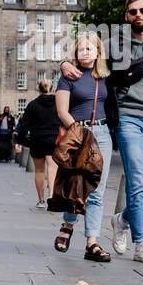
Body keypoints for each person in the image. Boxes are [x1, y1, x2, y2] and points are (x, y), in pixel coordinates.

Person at [61, 0, 143, 264]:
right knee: (138, 181)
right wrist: (63, 64)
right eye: (133, 11)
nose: (138, 15)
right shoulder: (113, 47)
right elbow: (85, 54)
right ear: (126, 16)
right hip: (127, 120)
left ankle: (122, 219)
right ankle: (141, 243)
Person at [53, 33, 114, 261]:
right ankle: (68, 225)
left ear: (98, 51)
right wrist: (79, 132)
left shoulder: (105, 76)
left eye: (90, 48)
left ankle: (92, 242)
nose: (85, 52)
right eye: (81, 49)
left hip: (103, 134)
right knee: (76, 186)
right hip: (78, 133)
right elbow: (61, 111)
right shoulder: (69, 77)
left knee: (96, 190)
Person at [16, 79, 62, 208]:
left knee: (39, 171)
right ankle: (52, 196)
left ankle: (41, 200)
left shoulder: (32, 105)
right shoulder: (58, 104)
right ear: (52, 89)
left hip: (37, 140)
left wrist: (20, 141)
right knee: (53, 168)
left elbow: (24, 125)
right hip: (53, 139)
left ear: (39, 89)